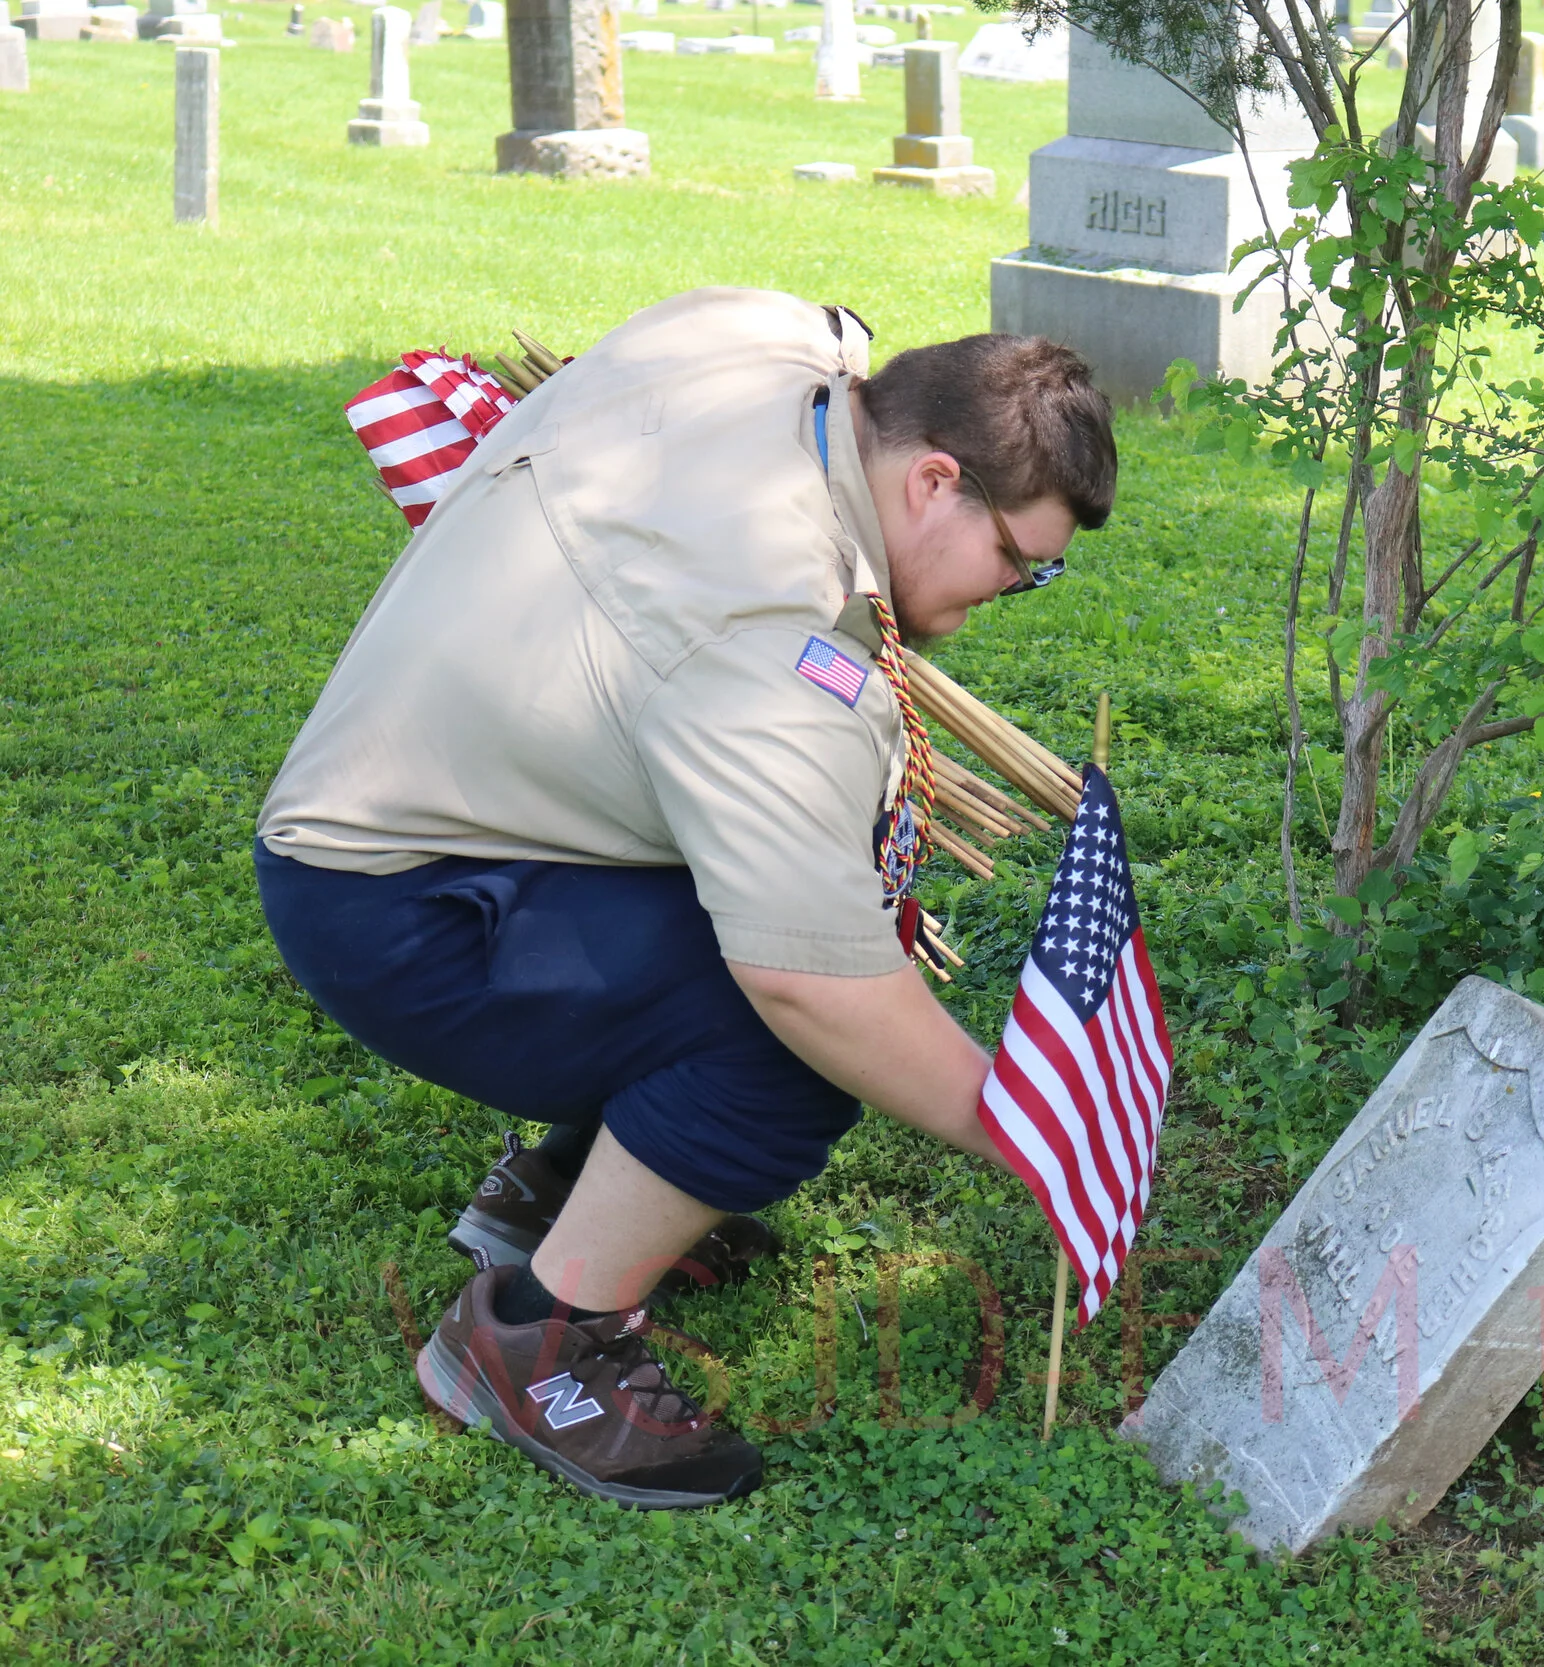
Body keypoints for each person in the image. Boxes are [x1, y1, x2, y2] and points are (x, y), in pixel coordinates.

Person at [254, 288, 1118, 1508]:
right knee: (799, 1050)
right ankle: (538, 1337)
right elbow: (814, 987)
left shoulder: (775, 346)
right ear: (932, 482)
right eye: (1020, 563)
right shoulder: (770, 634)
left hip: (434, 822)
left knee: (804, 902)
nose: (1007, 593)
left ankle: (555, 1192)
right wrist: (1027, 1130)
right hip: (399, 905)